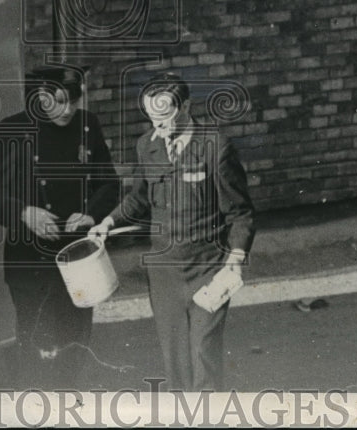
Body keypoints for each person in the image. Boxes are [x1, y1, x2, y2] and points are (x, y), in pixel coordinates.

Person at [89, 72, 255, 391]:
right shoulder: (147, 146)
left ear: (186, 107)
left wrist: (235, 257)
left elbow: (241, 212)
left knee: (203, 352)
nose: (158, 128)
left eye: (164, 119)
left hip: (207, 268)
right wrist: (107, 222)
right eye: (152, 119)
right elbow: (139, 198)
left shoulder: (214, 148)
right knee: (175, 361)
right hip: (164, 273)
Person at [0, 65, 119, 389]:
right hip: (30, 264)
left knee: (75, 345)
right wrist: (24, 213)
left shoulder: (88, 126)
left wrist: (89, 214)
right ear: (40, 96)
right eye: (60, 101)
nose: (69, 109)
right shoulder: (11, 131)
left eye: (74, 100)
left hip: (78, 261)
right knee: (36, 349)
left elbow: (108, 184)